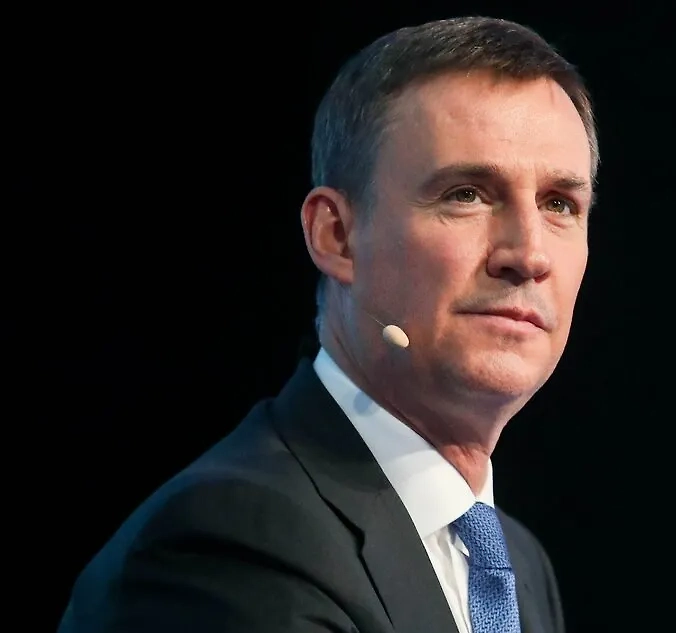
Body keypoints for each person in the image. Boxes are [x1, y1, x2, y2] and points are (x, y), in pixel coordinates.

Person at [58, 15, 598, 633]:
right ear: (337, 236)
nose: (528, 254)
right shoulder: (232, 543)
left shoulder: (516, 564)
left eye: (559, 204)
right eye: (466, 194)